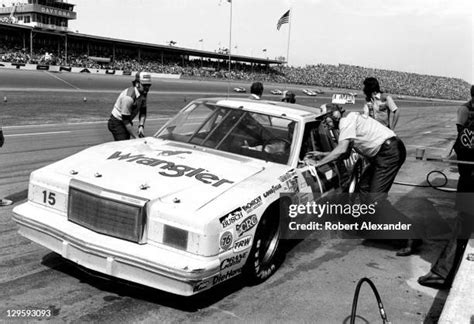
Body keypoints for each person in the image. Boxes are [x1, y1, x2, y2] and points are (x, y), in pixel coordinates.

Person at [308, 107, 418, 255]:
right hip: (382, 154)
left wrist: (317, 164)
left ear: (335, 114)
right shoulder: (348, 122)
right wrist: (322, 154)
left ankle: (411, 234)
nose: (324, 123)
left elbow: (341, 150)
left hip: (389, 153)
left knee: (376, 201)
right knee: (364, 191)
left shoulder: (346, 121)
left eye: (325, 118)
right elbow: (345, 153)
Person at [418, 85, 474, 288]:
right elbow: (461, 147)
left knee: (463, 224)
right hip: (468, 178)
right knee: (463, 224)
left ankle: (443, 272)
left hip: (469, 179)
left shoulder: (469, 120)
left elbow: (462, 147)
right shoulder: (468, 120)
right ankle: (444, 271)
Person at [108, 71, 151, 141]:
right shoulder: (128, 98)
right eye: (145, 85)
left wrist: (141, 126)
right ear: (137, 84)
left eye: (149, 85)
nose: (147, 88)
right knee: (124, 144)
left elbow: (143, 111)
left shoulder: (143, 93)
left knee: (127, 142)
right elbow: (125, 120)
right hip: (117, 122)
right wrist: (136, 138)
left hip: (126, 120)